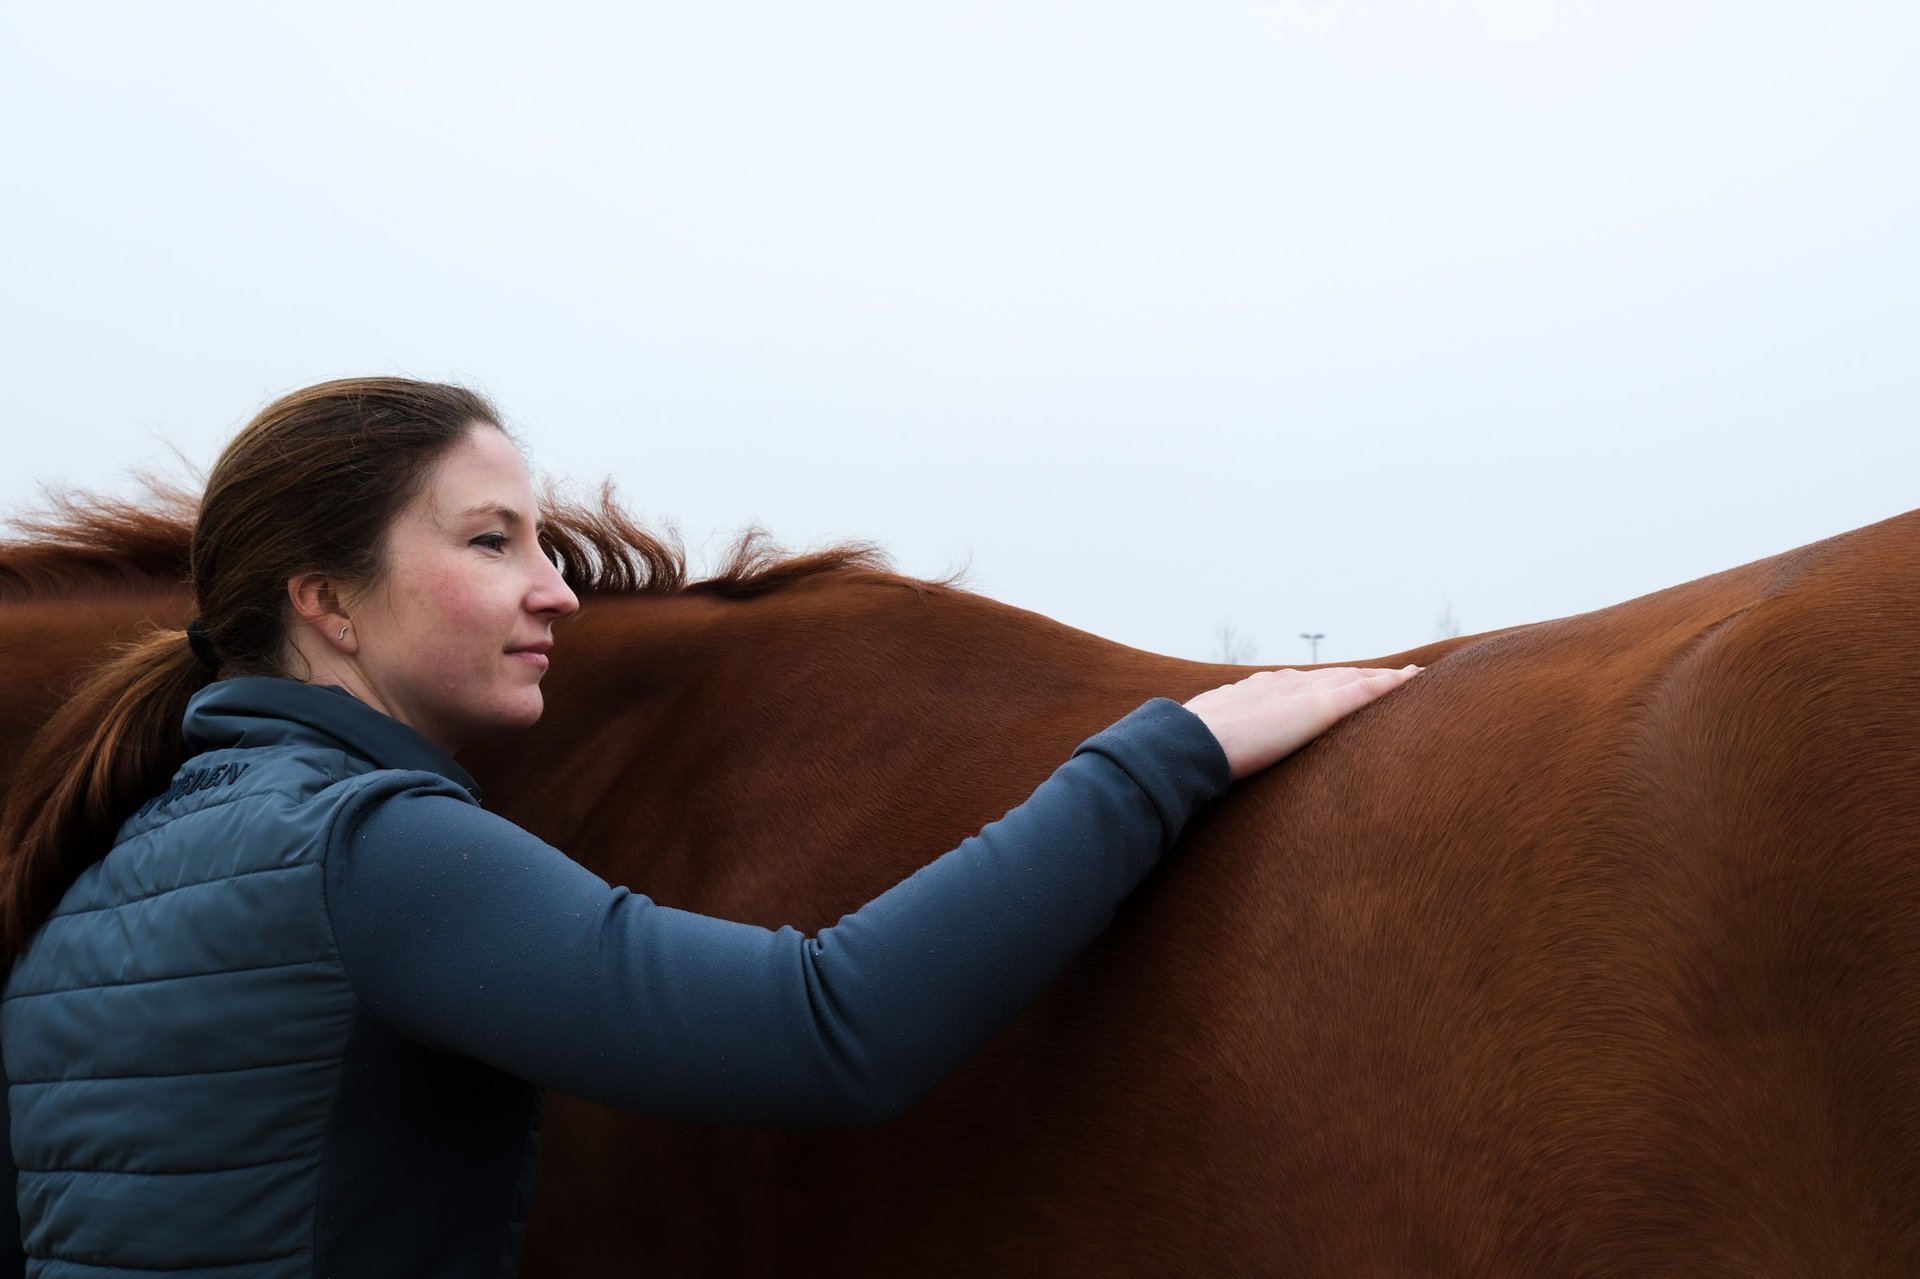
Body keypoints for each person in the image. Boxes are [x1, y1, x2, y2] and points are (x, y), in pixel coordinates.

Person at [0, 378, 1419, 1275]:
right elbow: (825, 1027)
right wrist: (1160, 754)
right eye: (492, 542)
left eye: (544, 542)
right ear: (328, 602)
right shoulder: (371, 853)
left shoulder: (98, 896)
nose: (553, 588)